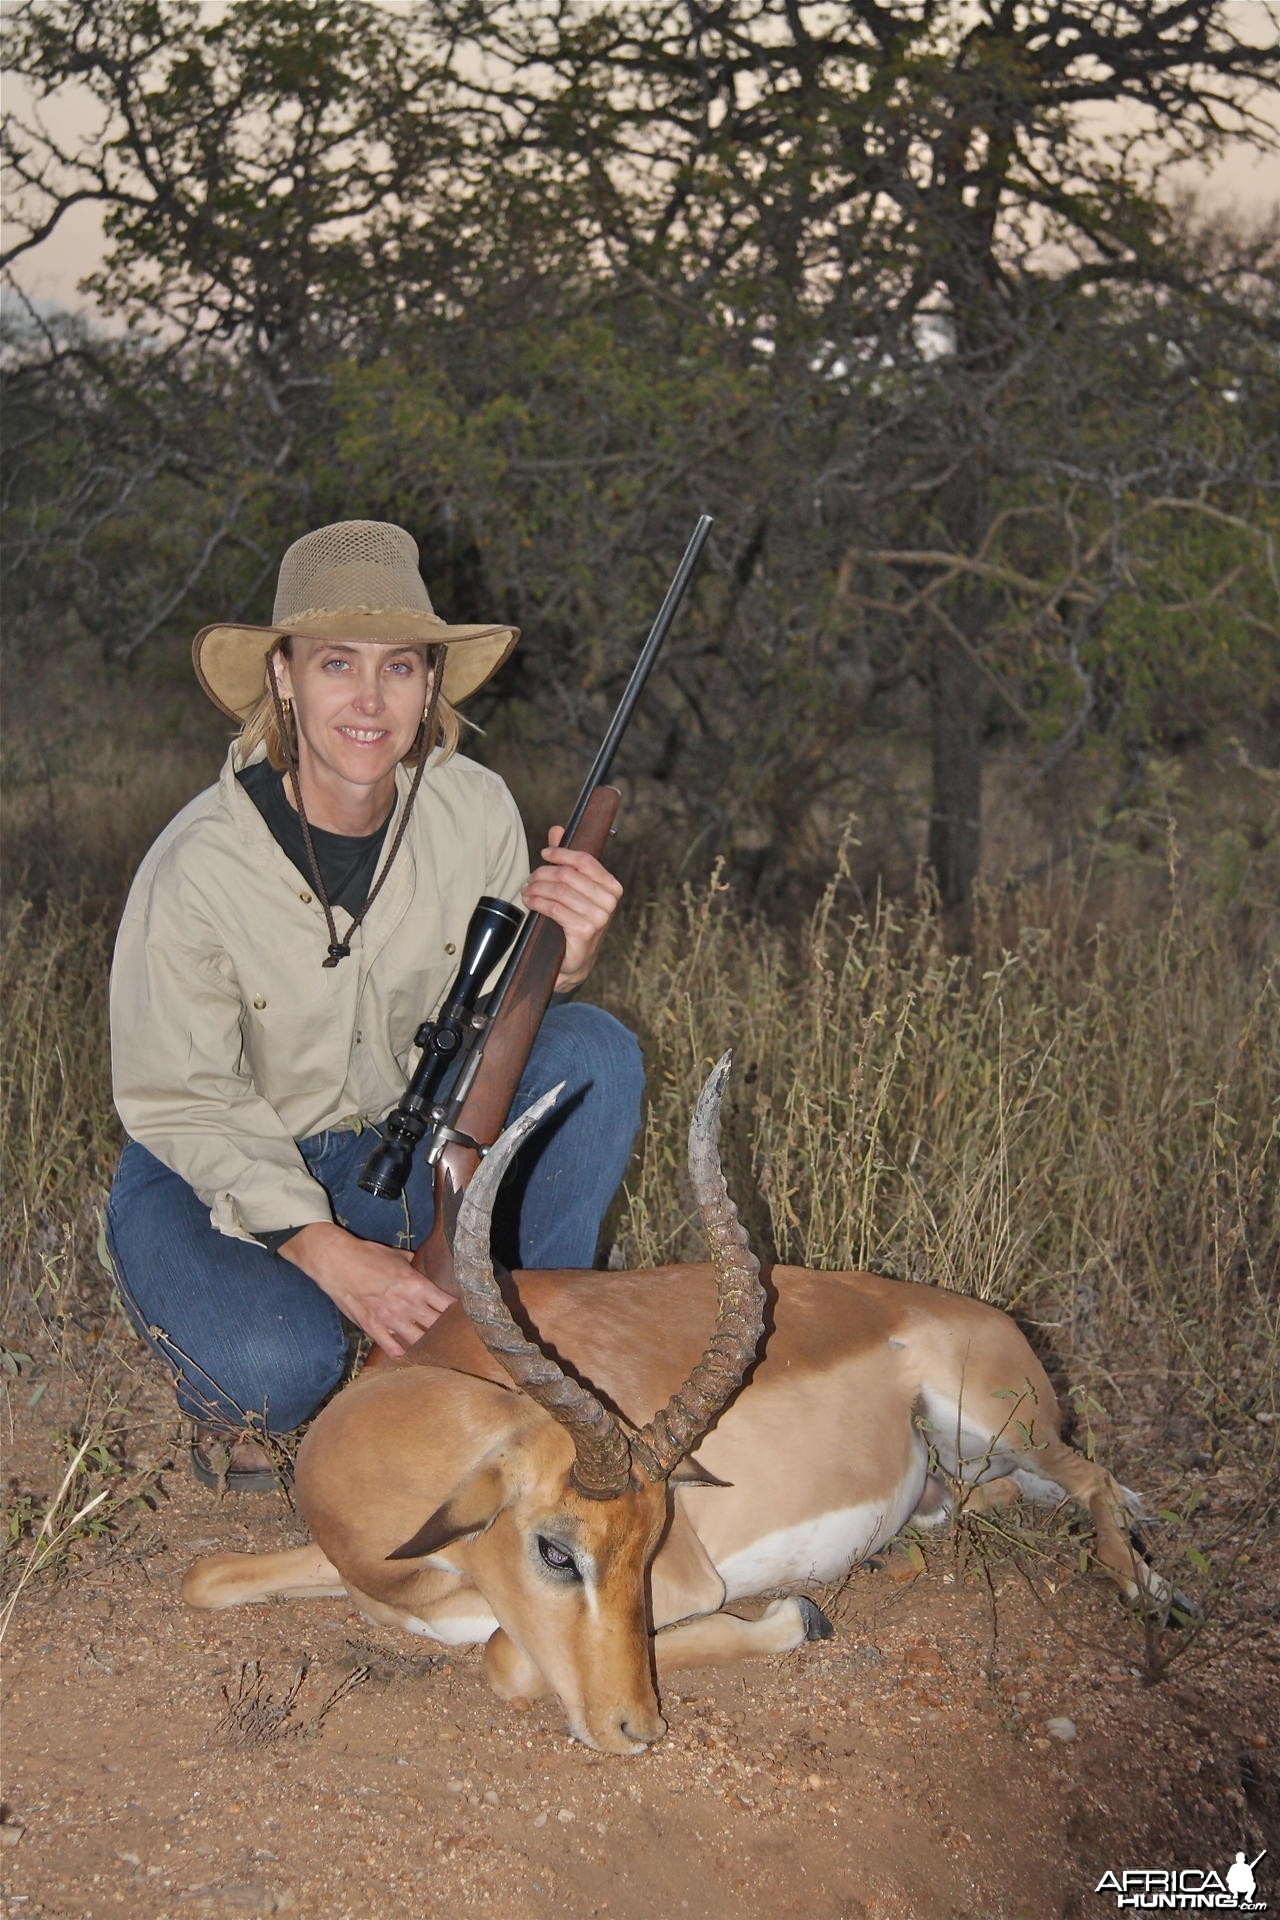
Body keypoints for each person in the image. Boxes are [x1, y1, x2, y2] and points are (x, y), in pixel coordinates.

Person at [106, 519, 643, 1489]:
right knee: (280, 1369)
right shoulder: (193, 866)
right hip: (213, 1170)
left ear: (430, 684)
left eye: (399, 667)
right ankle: (237, 1358)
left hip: (396, 1150)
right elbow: (180, 1102)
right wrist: (324, 1250)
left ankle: (528, 1358)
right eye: (335, 664)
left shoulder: (471, 808)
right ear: (282, 678)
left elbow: (491, 1022)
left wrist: (562, 959)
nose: (368, 698)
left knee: (592, 1051)